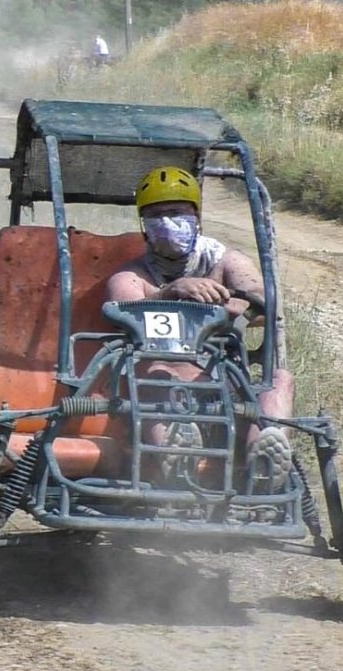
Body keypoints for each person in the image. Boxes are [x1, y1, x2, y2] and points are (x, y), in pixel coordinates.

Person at [105, 165, 295, 487]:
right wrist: (172, 291)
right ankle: (175, 453)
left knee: (280, 378)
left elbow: (264, 301)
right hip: (158, 376)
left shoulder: (225, 261)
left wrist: (224, 305)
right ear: (144, 227)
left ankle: (262, 458)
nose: (168, 222)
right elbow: (124, 305)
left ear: (196, 216)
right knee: (154, 375)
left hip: (225, 375)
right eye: (157, 215)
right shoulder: (131, 274)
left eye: (177, 212)